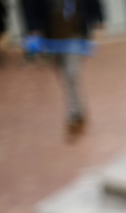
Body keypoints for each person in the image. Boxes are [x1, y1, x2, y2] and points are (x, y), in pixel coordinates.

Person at [21, 0, 103, 138]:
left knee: (71, 73)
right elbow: (29, 5)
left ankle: (73, 113)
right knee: (64, 75)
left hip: (75, 35)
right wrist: (33, 29)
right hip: (52, 37)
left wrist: (97, 20)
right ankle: (79, 108)